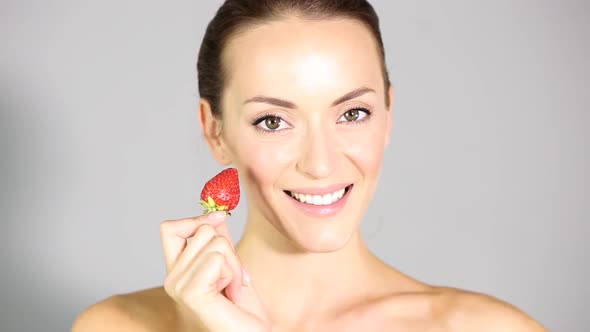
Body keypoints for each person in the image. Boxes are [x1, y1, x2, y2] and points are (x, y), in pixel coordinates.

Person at [72, 0, 547, 331]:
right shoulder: (114, 327)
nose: (320, 164)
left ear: (387, 115)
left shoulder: (493, 328)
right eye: (273, 120)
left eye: (352, 114)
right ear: (215, 130)